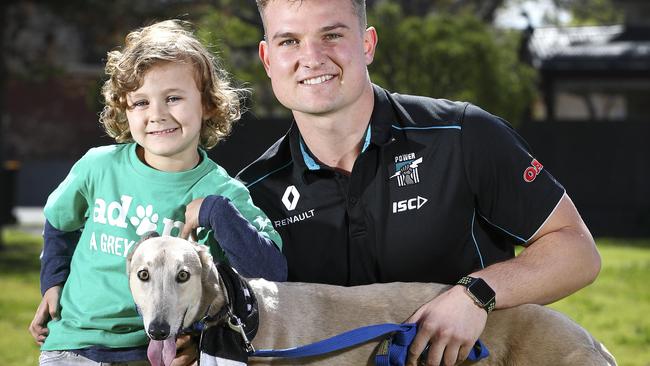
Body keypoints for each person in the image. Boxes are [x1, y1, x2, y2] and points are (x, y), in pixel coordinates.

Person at [214, 1, 602, 365]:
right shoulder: (251, 196)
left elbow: (577, 251)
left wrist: (475, 294)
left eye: (332, 35)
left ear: (367, 44)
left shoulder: (462, 134)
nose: (312, 57)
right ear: (267, 59)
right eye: (290, 41)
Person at [28, 19, 287, 366]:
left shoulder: (222, 193)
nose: (157, 115)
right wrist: (53, 281)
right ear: (124, 108)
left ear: (208, 104)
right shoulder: (97, 167)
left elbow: (270, 274)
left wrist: (216, 212)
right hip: (74, 343)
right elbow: (59, 222)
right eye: (140, 103)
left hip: (163, 352)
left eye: (174, 98)